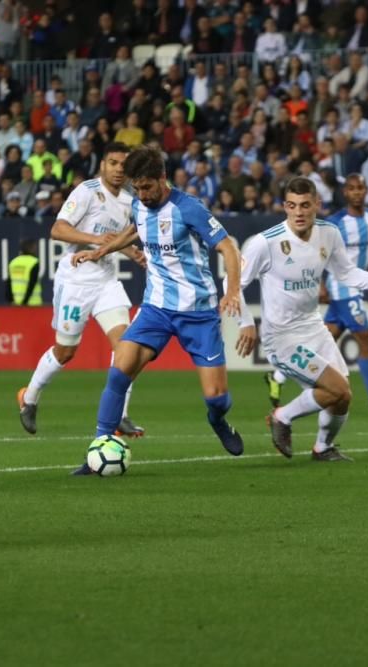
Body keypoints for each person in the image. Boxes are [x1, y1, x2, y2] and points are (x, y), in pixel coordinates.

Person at [69, 146, 244, 474]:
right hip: (156, 309)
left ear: (163, 179)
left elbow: (227, 248)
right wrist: (99, 251)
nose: (142, 194)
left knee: (216, 396)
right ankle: (98, 448)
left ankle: (218, 420)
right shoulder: (139, 203)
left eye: (148, 186)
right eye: (137, 188)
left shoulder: (188, 208)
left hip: (199, 312)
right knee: (120, 366)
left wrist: (232, 290)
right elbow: (133, 230)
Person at [234, 177, 368, 462]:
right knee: (336, 388)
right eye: (292, 206)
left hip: (314, 327)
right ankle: (282, 416)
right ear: (285, 207)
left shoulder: (329, 233)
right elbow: (230, 284)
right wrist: (245, 323)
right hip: (281, 336)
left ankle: (323, 448)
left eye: (306, 205)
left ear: (317, 204)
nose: (299, 212)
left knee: (343, 397)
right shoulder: (265, 243)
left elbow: (348, 273)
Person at [18, 143, 146, 439]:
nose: (117, 170)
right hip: (76, 280)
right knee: (65, 351)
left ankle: (120, 415)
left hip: (106, 281)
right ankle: (30, 396)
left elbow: (118, 239)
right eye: (112, 163)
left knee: (127, 346)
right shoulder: (86, 191)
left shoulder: (128, 201)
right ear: (103, 164)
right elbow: (58, 230)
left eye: (123, 165)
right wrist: (96, 239)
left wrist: (133, 254)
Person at [266, 173, 368, 416]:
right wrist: (319, 284)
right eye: (352, 188)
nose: (357, 193)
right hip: (342, 289)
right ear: (345, 193)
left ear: (366, 190)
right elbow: (315, 253)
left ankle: (277, 375)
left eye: (361, 188)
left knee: (325, 341)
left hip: (356, 286)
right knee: (367, 341)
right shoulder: (334, 223)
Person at [6, 239, 41, 306]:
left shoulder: (13, 262)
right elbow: (31, 284)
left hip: (15, 304)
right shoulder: (34, 262)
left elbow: (8, 284)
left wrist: (11, 301)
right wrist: (24, 302)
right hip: (32, 304)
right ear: (32, 248)